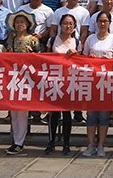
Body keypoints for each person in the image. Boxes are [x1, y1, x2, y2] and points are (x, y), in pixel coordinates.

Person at [81, 11, 113, 158]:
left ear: (109, 23)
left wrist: (110, 60)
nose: (103, 24)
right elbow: (83, 59)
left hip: (107, 82)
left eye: (105, 21)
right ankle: (90, 144)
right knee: (91, 115)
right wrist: (91, 58)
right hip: (92, 82)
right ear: (96, 23)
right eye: (100, 21)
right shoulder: (90, 39)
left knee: (104, 116)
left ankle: (101, 145)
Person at [4, 11, 41, 155]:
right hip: (13, 77)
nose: (20, 24)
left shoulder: (33, 40)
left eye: (22, 22)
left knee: (22, 111)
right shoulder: (10, 40)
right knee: (14, 111)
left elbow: (39, 58)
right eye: (17, 22)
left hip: (27, 78)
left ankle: (19, 141)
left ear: (28, 25)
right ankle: (15, 139)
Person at [44, 13, 78, 155]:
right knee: (53, 113)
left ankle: (66, 143)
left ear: (74, 26)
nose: (67, 26)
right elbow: (46, 59)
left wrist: (76, 54)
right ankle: (51, 142)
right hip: (55, 80)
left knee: (66, 113)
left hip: (70, 81)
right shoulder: (52, 41)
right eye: (65, 23)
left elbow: (81, 62)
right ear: (60, 25)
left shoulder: (77, 42)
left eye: (70, 24)